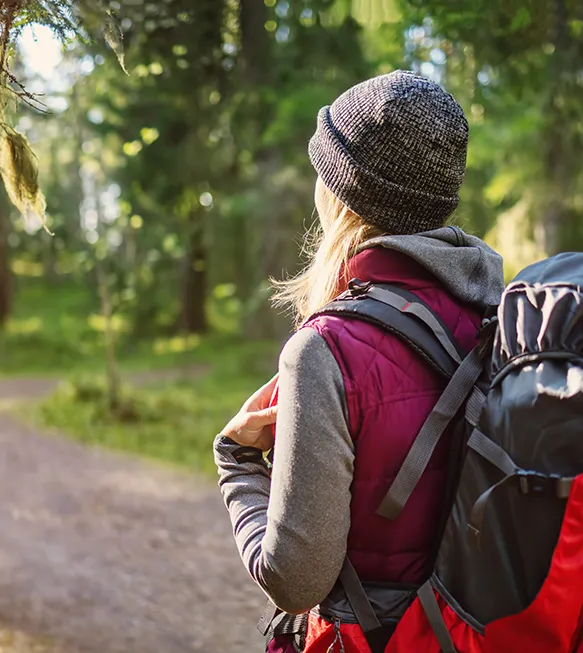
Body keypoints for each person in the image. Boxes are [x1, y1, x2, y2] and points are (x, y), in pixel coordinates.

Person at [213, 70, 504, 652]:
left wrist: (238, 461)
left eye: (325, 170)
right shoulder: (501, 316)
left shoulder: (325, 349)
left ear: (345, 194)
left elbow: (295, 582)